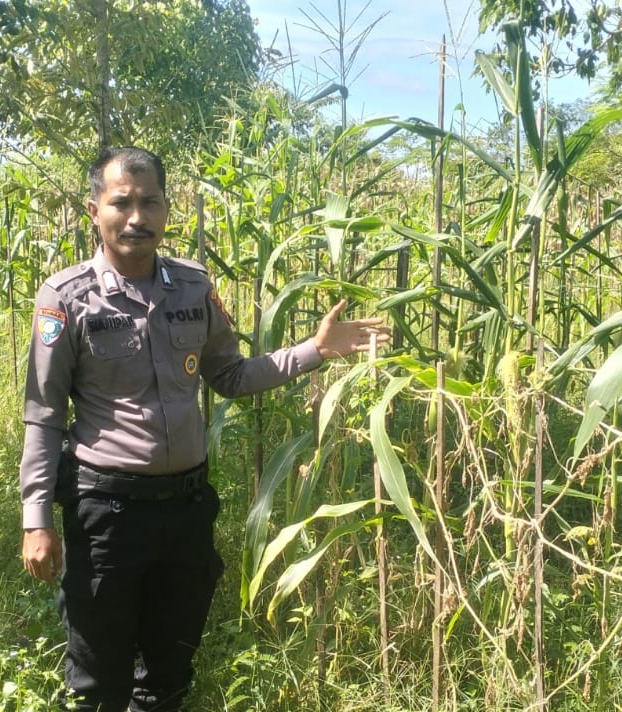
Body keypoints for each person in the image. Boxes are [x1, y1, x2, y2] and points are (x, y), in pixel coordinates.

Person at [19, 146, 390, 711]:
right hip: (105, 515)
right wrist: (36, 519)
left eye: (150, 202)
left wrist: (315, 350)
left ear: (169, 210)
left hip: (186, 511)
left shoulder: (193, 287)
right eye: (121, 203)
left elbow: (231, 375)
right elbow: (44, 414)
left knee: (169, 673)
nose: (136, 217)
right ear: (93, 210)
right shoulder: (67, 299)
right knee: (99, 683)